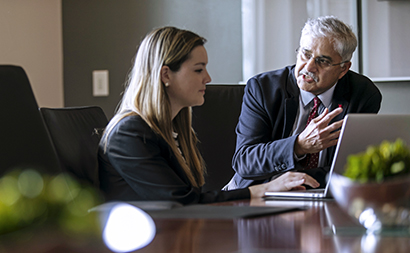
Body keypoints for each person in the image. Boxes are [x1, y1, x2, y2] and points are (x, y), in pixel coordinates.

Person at [98, 26, 319, 205]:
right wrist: (264, 190)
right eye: (198, 69)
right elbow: (182, 202)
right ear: (166, 74)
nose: (208, 78)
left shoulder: (173, 130)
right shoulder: (130, 133)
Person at [224, 16, 382, 190]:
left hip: (320, 193)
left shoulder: (363, 95)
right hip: (257, 191)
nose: (309, 67)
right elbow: (246, 161)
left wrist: (298, 182)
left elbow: (352, 167)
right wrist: (299, 145)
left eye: (323, 61)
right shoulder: (263, 88)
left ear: (343, 69)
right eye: (305, 54)